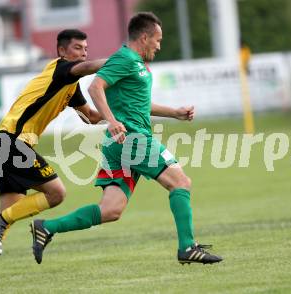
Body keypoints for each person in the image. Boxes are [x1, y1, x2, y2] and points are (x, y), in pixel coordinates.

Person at [30, 12, 222, 265]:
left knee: (111, 210)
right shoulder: (125, 58)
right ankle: (187, 247)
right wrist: (112, 121)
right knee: (181, 182)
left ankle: (47, 227)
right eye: (157, 39)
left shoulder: (138, 63)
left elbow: (139, 105)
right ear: (144, 37)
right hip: (131, 140)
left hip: (119, 145)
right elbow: (94, 87)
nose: (159, 45)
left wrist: (174, 113)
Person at [0, 29, 105, 281]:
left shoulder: (70, 86)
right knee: (56, 193)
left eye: (85, 48)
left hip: (3, 144)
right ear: (62, 51)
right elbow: (88, 67)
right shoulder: (61, 70)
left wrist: (120, 115)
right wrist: (125, 61)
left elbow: (91, 117)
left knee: (11, 210)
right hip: (12, 143)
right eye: (77, 48)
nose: (83, 52)